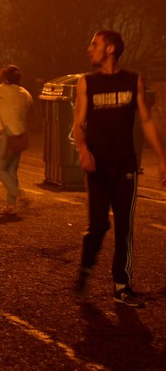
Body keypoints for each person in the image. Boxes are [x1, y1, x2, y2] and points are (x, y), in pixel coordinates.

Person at [73, 30, 166, 308]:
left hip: (125, 164)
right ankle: (86, 266)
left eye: (95, 44)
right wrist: (83, 150)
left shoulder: (133, 80)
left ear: (110, 49)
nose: (90, 49)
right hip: (97, 165)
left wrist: (162, 157)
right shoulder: (86, 82)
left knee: (125, 226)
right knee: (99, 225)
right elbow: (78, 122)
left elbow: (146, 120)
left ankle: (122, 285)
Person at [0, 65, 33, 216]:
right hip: (21, 135)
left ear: (5, 78)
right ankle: (10, 206)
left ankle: (20, 194)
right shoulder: (25, 93)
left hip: (6, 134)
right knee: (11, 171)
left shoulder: (3, 90)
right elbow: (30, 110)